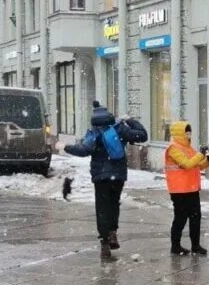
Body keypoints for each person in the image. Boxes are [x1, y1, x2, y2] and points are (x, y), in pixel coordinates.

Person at [60, 101, 148, 261]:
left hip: (100, 177)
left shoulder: (93, 134)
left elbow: (83, 151)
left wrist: (65, 147)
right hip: (118, 176)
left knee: (102, 208)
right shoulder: (119, 129)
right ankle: (113, 233)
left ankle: (105, 243)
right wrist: (130, 120)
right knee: (114, 204)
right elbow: (142, 135)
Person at [164, 121, 209, 256]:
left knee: (195, 217)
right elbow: (186, 164)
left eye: (189, 132)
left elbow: (198, 165)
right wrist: (200, 155)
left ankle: (195, 245)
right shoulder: (173, 148)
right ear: (180, 133)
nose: (188, 135)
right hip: (179, 190)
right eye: (186, 132)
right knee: (180, 218)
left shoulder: (189, 148)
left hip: (191, 188)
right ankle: (175, 246)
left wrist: (208, 159)